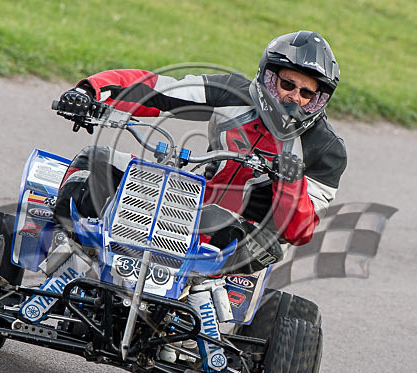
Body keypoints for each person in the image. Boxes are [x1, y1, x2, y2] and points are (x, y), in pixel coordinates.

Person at [50, 30, 347, 274]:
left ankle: (195, 305)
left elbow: (298, 231)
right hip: (192, 201)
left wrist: (291, 182)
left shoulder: (327, 149)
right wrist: (89, 92)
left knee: (215, 221)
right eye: (287, 84)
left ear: (318, 99)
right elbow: (158, 89)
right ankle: (72, 258)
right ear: (270, 78)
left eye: (306, 93)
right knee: (94, 161)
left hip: (247, 233)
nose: (294, 98)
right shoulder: (234, 93)